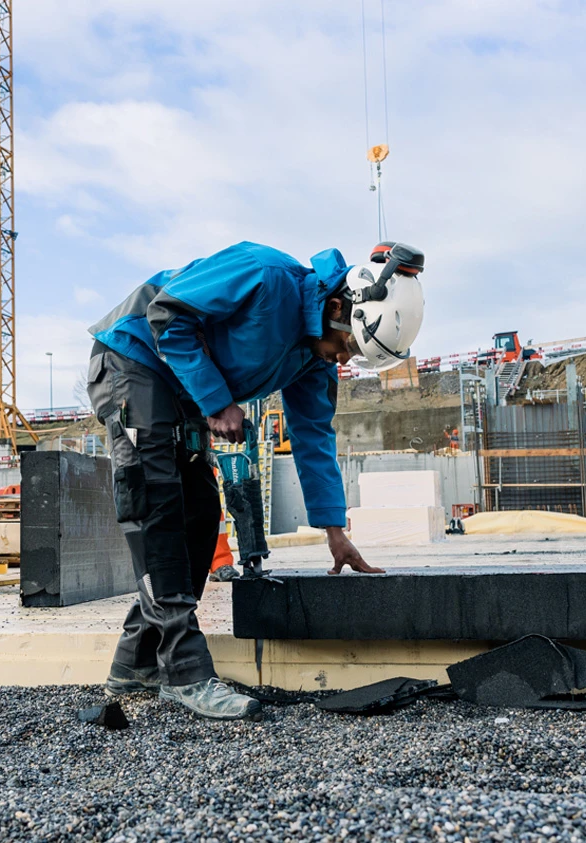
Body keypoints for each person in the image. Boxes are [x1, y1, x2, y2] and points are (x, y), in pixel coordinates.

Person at [86, 240, 427, 720]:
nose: (344, 360)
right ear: (337, 308)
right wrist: (218, 401)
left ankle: (136, 664)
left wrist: (335, 532)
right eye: (348, 346)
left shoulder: (314, 357)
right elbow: (167, 315)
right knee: (158, 505)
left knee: (202, 516)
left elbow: (313, 437)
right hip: (133, 360)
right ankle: (184, 673)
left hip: (178, 384)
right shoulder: (262, 275)